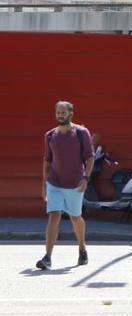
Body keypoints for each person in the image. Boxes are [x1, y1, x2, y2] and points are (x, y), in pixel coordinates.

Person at [36, 101, 95, 270]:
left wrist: (86, 178)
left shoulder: (81, 133)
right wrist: (43, 184)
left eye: (63, 112)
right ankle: (47, 257)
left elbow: (90, 157)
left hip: (75, 184)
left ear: (71, 114)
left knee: (75, 217)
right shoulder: (49, 135)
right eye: (57, 112)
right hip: (54, 182)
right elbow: (47, 160)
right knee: (54, 215)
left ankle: (82, 248)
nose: (60, 115)